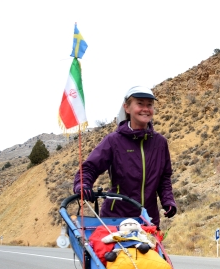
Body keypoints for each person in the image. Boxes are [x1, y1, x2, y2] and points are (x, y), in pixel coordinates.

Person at [73, 86, 176, 229]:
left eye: (150, 105)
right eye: (140, 103)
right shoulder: (113, 141)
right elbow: (90, 168)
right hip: (115, 220)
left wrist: (168, 201)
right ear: (127, 108)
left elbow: (164, 178)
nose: (146, 109)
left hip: (147, 221)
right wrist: (83, 185)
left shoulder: (160, 143)